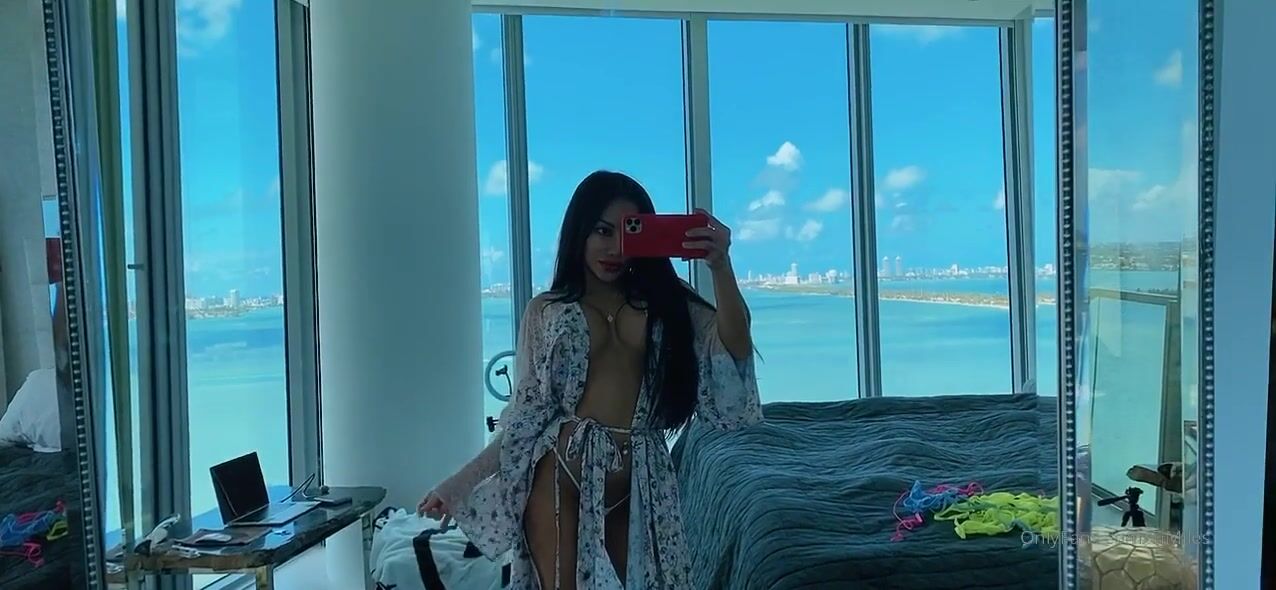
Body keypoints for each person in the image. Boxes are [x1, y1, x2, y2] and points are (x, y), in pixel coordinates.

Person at [418, 170, 763, 589]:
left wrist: (720, 265)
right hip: (560, 472)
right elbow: (525, 419)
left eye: (627, 232)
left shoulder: (668, 303)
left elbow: (734, 347)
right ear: (578, 231)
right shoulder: (546, 310)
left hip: (644, 478)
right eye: (602, 231)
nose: (614, 248)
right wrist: (458, 485)